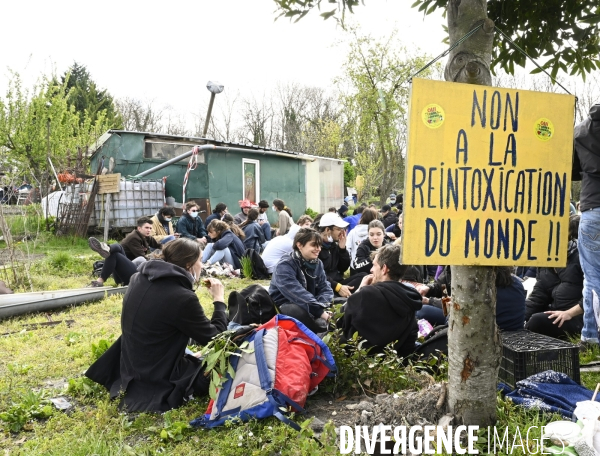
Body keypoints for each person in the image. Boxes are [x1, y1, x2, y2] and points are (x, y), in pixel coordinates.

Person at [85, 238, 228, 412]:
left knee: (193, 350)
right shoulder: (182, 297)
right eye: (200, 261)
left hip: (131, 366)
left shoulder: (138, 277)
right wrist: (219, 301)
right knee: (226, 364)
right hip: (158, 377)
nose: (202, 266)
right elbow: (217, 339)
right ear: (189, 264)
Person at [340, 244, 423, 358]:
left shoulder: (366, 294)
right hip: (388, 364)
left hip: (356, 359)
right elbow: (409, 343)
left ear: (384, 269)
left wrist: (359, 290)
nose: (371, 269)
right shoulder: (410, 299)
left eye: (374, 265)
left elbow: (339, 321)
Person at [524, 215, 584, 339]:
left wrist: (569, 313)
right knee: (528, 319)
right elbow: (537, 297)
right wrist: (517, 317)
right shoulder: (545, 264)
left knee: (537, 321)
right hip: (556, 313)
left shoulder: (581, 258)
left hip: (579, 316)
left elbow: (593, 293)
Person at [416, 266, 526, 331]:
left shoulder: (478, 288)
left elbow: (457, 308)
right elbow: (443, 287)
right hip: (512, 332)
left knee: (423, 311)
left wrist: (429, 301)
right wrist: (430, 289)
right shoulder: (516, 283)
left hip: (481, 333)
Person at [269, 228, 334, 333]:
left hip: (313, 303)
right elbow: (297, 294)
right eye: (314, 245)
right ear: (299, 245)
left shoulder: (318, 263)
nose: (319, 249)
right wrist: (321, 313)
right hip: (286, 305)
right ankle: (318, 333)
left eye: (320, 245)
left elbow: (325, 287)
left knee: (345, 303)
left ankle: (323, 327)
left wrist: (322, 305)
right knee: (297, 312)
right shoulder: (285, 265)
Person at [573, 103, 600, 344]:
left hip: (593, 208)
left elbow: (572, 169)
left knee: (593, 277)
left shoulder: (581, 131)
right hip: (591, 208)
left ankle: (591, 335)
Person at [88, 217, 160, 287]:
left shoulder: (147, 237)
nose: (149, 230)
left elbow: (158, 245)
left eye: (150, 228)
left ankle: (107, 249)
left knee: (115, 253)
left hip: (130, 274)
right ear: (139, 228)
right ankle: (106, 248)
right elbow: (142, 256)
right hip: (128, 272)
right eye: (147, 228)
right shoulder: (133, 238)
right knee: (119, 249)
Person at [318, 212, 364, 298]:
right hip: (326, 287)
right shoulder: (315, 247)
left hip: (338, 283)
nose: (342, 232)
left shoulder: (333, 245)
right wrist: (338, 287)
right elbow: (318, 274)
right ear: (327, 230)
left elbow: (343, 268)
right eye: (339, 229)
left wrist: (342, 249)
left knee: (364, 276)